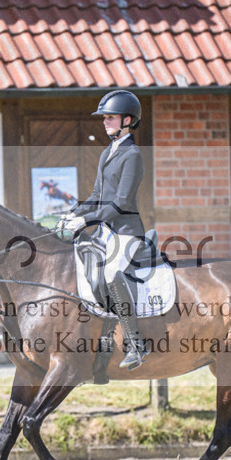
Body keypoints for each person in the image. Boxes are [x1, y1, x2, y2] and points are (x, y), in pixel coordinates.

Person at [57, 90, 149, 370]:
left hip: (127, 232)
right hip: (106, 232)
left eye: (110, 117)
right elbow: (98, 194)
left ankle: (136, 343)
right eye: (105, 118)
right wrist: (74, 212)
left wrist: (87, 221)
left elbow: (120, 202)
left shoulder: (132, 155)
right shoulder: (107, 153)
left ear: (127, 119)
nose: (105, 122)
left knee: (111, 272)